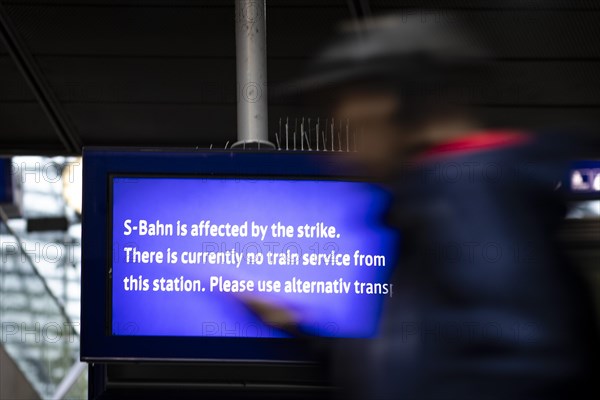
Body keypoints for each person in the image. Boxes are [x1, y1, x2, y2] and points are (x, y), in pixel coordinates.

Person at [252, 13, 600, 399]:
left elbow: (524, 364)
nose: (334, 146)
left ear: (379, 103)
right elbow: (431, 365)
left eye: (337, 115)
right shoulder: (441, 196)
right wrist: (302, 333)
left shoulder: (469, 191)